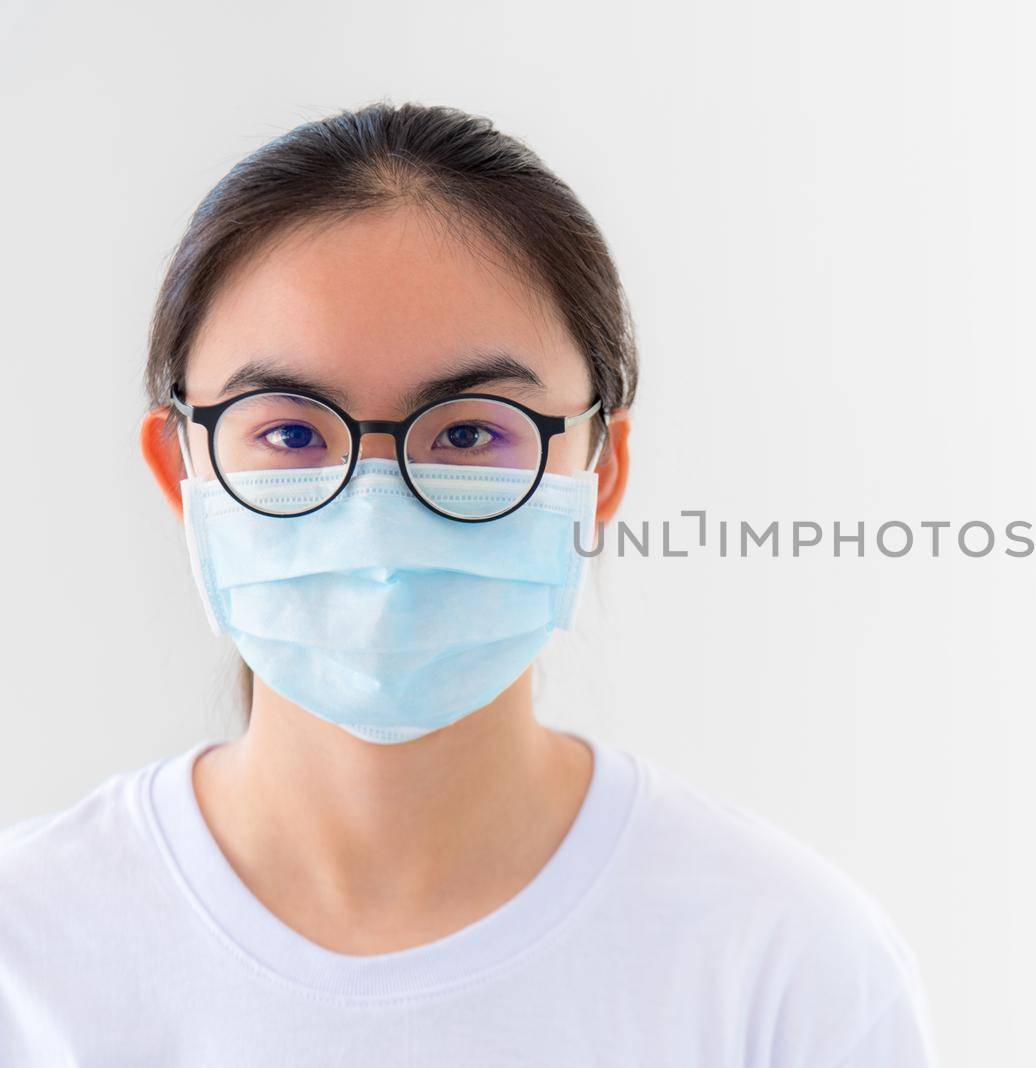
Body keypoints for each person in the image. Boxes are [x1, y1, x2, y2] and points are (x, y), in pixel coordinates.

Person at [0, 101, 936, 1066]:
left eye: (469, 433)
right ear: (182, 471)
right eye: (289, 434)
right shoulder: (27, 958)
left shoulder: (788, 970)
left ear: (599, 474)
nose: (373, 508)